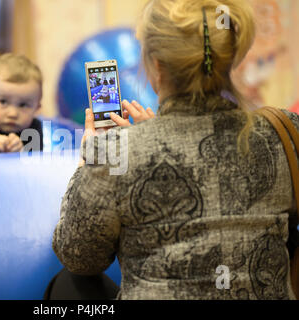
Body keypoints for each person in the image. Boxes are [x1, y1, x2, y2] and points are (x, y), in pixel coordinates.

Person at [48, 0, 299, 300]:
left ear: (156, 65)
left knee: (68, 285)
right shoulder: (286, 131)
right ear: (226, 60)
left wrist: (92, 157)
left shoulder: (114, 151)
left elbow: (80, 256)